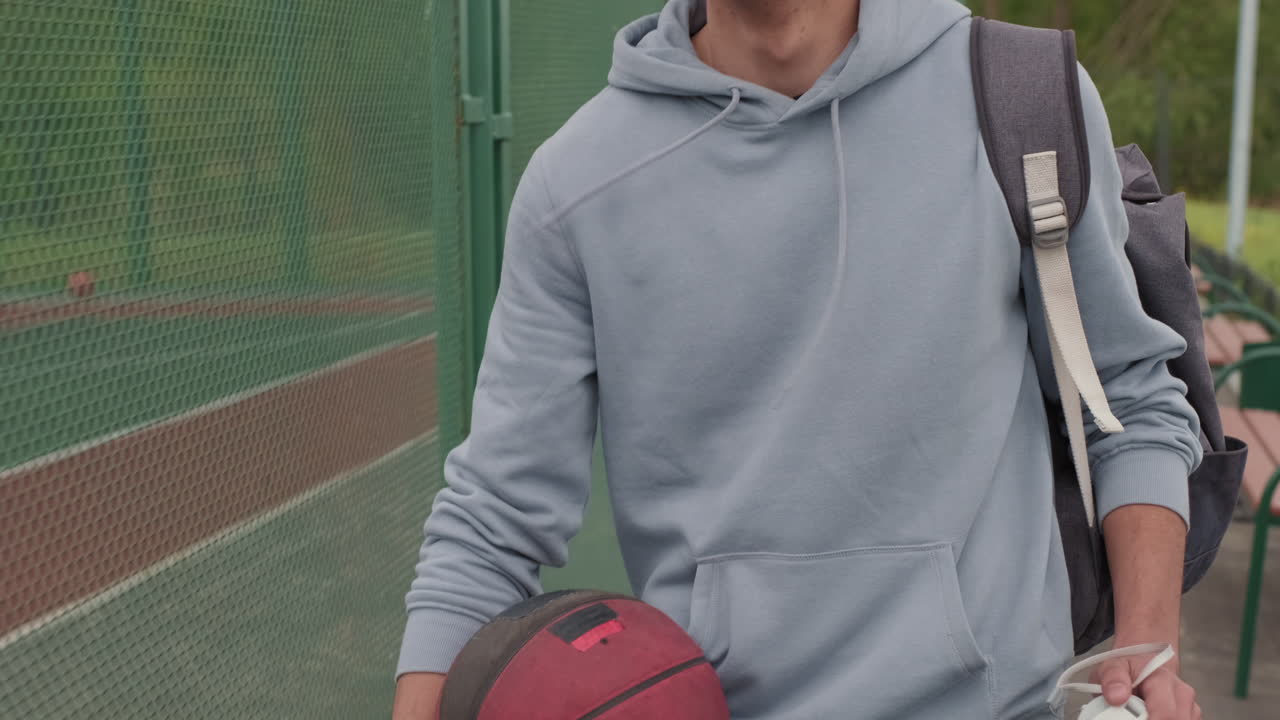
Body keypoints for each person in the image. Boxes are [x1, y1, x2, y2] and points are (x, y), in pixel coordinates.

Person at [391, 1, 1205, 718]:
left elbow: (1128, 400)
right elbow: (491, 523)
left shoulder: (1017, 95)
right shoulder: (576, 185)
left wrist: (1144, 660)